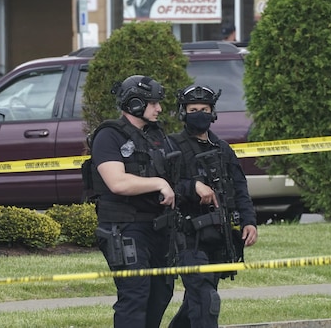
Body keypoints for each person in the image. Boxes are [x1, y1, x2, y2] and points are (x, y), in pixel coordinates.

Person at [87, 75, 182, 328]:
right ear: (135, 103)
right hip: (124, 228)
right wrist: (159, 184)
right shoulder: (109, 135)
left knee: (161, 293)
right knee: (135, 295)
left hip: (158, 227)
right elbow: (117, 182)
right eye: (153, 103)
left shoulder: (155, 136)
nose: (159, 108)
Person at [167, 84, 257, 328]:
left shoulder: (222, 149)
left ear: (213, 112)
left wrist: (249, 221)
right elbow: (162, 188)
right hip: (188, 237)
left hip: (218, 236)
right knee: (206, 300)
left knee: (197, 301)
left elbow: (240, 188)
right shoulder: (172, 146)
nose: (199, 113)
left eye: (204, 109)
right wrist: (192, 186)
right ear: (183, 112)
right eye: (193, 109)